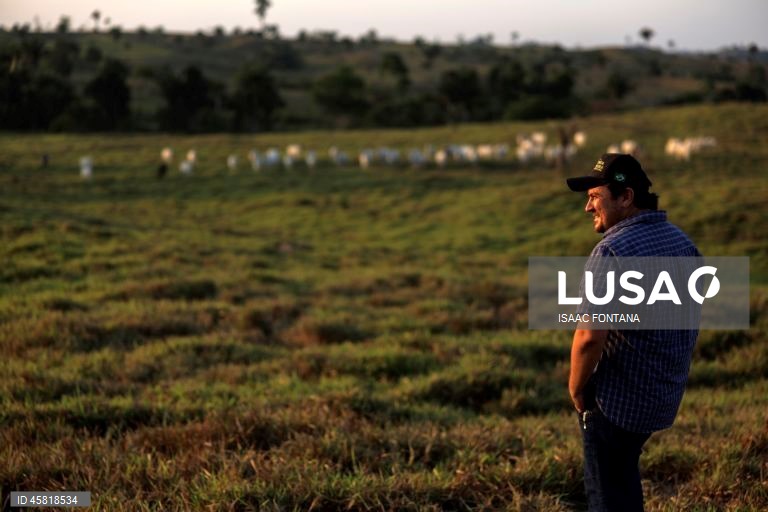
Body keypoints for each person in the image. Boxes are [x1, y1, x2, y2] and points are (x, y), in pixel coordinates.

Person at [565, 153, 701, 511]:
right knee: (624, 480)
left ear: (626, 197)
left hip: (617, 403)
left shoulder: (612, 250)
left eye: (595, 196)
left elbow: (589, 336)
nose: (587, 207)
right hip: (660, 397)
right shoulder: (682, 243)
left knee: (608, 497)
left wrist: (578, 391)